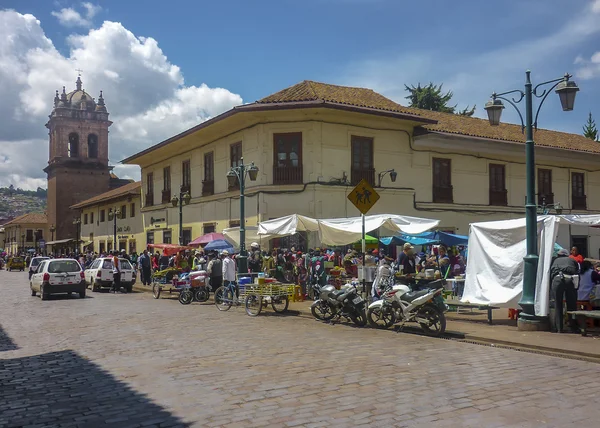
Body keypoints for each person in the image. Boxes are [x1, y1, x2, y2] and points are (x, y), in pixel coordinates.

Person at [549, 248, 579, 333]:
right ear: (567, 255)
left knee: (558, 304)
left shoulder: (554, 260)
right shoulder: (572, 260)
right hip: (570, 280)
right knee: (572, 304)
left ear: (558, 255)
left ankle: (558, 328)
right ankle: (573, 327)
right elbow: (576, 271)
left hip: (557, 280)